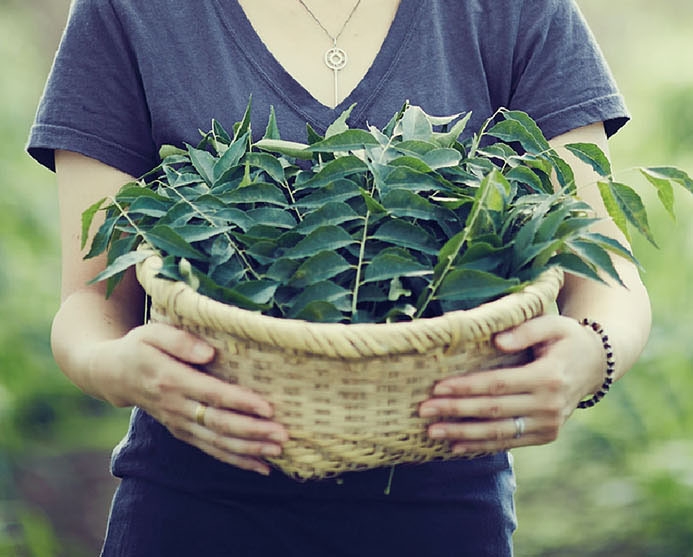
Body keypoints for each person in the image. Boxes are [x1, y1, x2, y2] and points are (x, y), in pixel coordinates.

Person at [27, 0, 651, 555]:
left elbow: (602, 265)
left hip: (444, 514)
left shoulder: (515, 12)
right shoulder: (127, 12)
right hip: (196, 505)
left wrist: (589, 358)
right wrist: (118, 371)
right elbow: (90, 302)